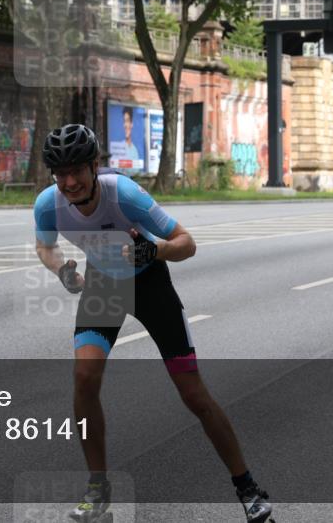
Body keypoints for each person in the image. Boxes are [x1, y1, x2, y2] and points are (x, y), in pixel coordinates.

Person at [33, 124, 272, 523]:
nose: (70, 182)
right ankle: (98, 488)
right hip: (103, 286)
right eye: (61, 174)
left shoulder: (123, 193)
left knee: (193, 394)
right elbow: (45, 246)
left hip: (149, 282)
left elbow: (187, 243)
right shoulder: (47, 203)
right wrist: (61, 270)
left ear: (94, 166)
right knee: (84, 378)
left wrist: (153, 249)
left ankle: (248, 487)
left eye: (77, 170)